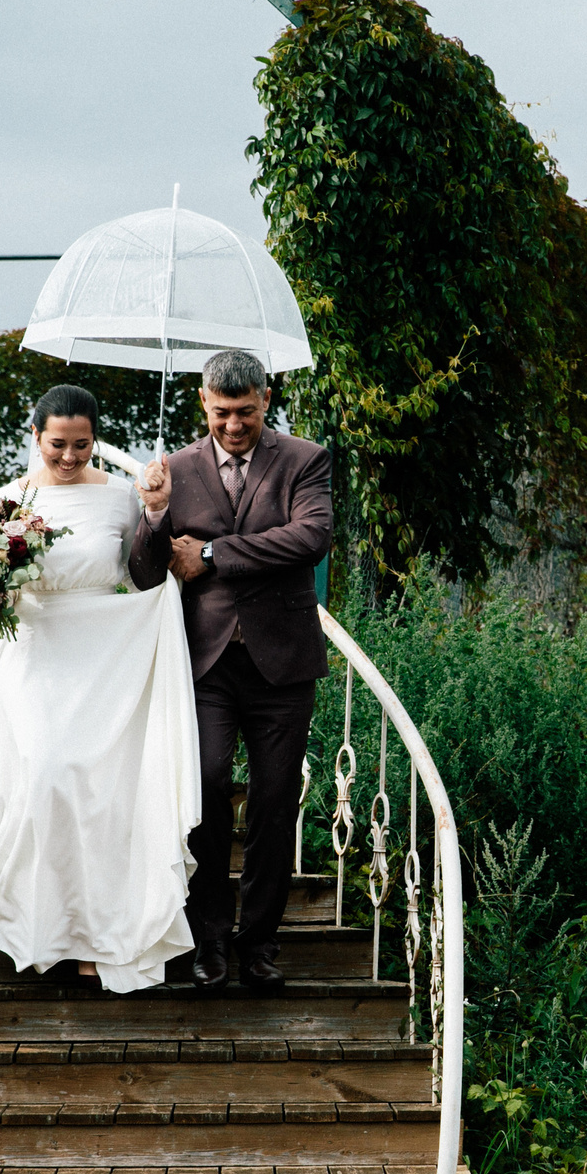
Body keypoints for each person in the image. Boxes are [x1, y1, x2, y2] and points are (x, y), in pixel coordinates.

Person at [0, 386, 203, 992]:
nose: (69, 456)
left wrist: (158, 516)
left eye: (82, 445)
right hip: (35, 652)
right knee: (46, 776)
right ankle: (44, 929)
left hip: (106, 654)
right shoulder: (7, 502)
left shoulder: (119, 496)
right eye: (57, 444)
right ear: (36, 437)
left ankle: (94, 938)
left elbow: (142, 574)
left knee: (100, 790)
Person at [127, 349, 334, 990]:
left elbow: (310, 537)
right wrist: (158, 517)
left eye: (246, 412)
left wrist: (213, 552)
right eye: (222, 414)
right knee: (206, 791)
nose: (234, 425)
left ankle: (261, 944)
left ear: (266, 399)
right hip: (206, 661)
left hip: (284, 664)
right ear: (203, 404)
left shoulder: (305, 460)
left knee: (275, 803)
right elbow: (140, 573)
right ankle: (208, 938)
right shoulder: (176, 471)